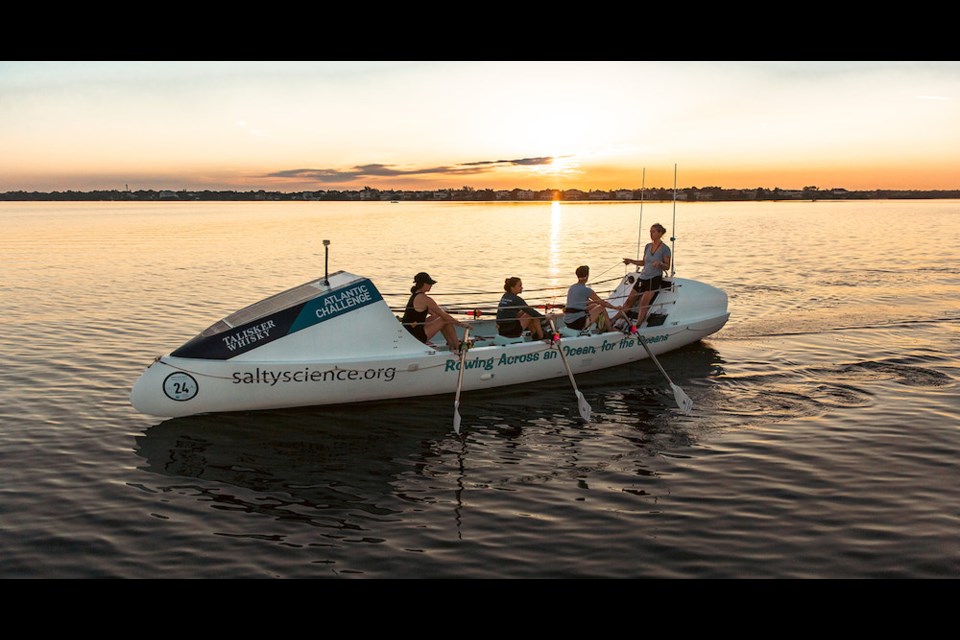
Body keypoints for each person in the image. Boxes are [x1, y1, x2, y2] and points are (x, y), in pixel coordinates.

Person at [400, 272, 467, 351]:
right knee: (444, 319)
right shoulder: (425, 299)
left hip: (409, 331)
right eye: (429, 283)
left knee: (439, 317)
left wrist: (442, 312)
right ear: (423, 284)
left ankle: (452, 344)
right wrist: (461, 324)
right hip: (416, 335)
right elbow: (444, 316)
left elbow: (434, 313)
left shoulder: (415, 295)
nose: (431, 285)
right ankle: (457, 346)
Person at [622, 222, 672, 326]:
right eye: (650, 231)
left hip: (653, 279)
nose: (651, 234)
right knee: (629, 301)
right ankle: (614, 320)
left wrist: (660, 263)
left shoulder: (665, 249)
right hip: (643, 277)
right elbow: (644, 262)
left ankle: (637, 326)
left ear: (660, 233)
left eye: (653, 231)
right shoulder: (648, 246)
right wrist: (631, 261)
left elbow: (667, 266)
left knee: (643, 304)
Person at [563, 265, 621, 332]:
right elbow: (603, 303)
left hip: (567, 321)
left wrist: (594, 303)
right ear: (587, 276)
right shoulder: (587, 290)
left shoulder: (572, 287)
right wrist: (616, 308)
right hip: (577, 323)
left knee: (594, 306)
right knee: (601, 308)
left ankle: (601, 327)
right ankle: (610, 329)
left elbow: (580, 303)